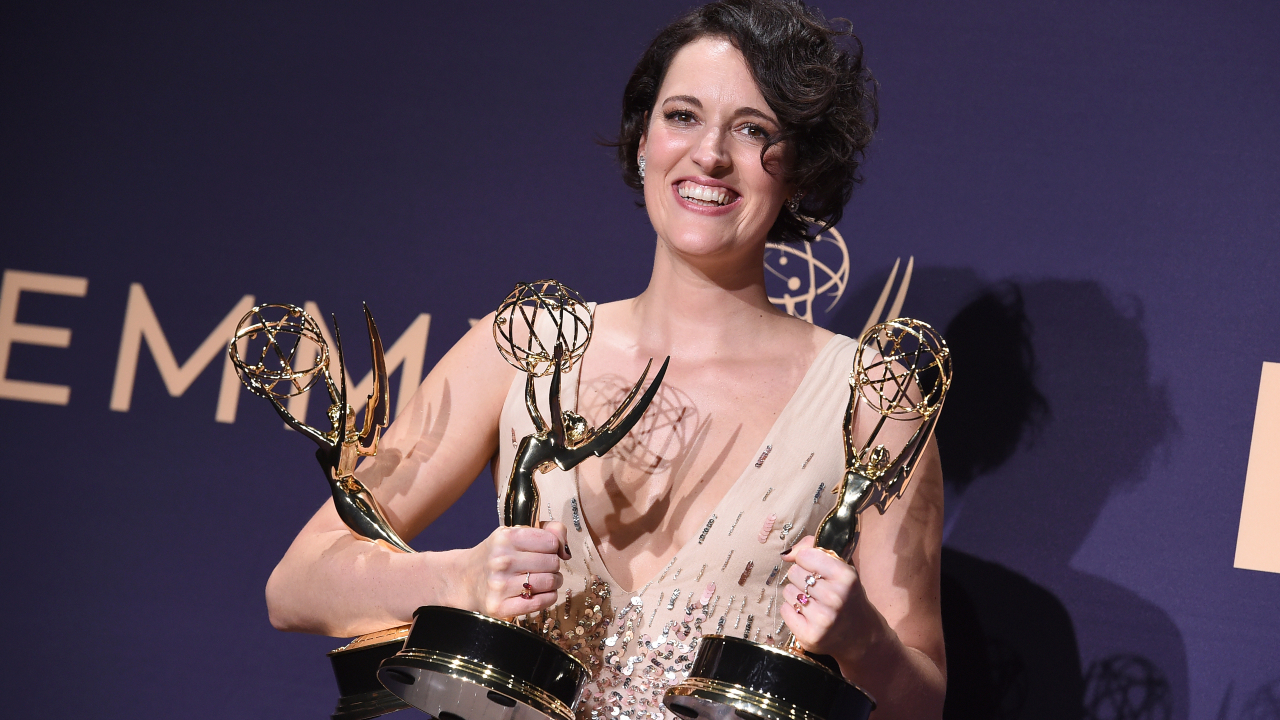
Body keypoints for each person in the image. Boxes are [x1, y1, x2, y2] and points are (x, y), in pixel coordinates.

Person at [265, 2, 946, 718]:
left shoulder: (874, 404)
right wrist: (459, 579)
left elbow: (922, 704)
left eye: (753, 130)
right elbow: (298, 584)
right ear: (643, 140)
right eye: (682, 116)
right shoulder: (525, 346)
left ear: (801, 167)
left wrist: (864, 640)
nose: (709, 154)